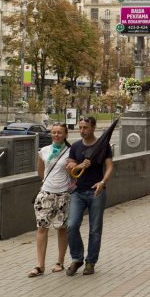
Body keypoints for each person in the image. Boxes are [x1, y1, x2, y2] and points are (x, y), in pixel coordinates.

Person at [65, 116, 113, 276]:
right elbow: (70, 168)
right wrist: (79, 165)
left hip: (96, 192)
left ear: (93, 127)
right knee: (72, 225)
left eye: (85, 127)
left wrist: (102, 182)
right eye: (80, 127)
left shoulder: (103, 146)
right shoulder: (76, 146)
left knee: (95, 229)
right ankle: (77, 258)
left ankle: (91, 262)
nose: (82, 131)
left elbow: (109, 166)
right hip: (78, 191)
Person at [28, 122, 72, 277]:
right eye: (54, 132)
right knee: (41, 228)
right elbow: (40, 172)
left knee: (62, 228)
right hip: (46, 194)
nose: (56, 135)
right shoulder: (44, 151)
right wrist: (49, 183)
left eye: (60, 132)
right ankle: (40, 265)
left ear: (65, 134)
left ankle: (60, 262)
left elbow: (74, 174)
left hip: (63, 195)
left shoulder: (71, 152)